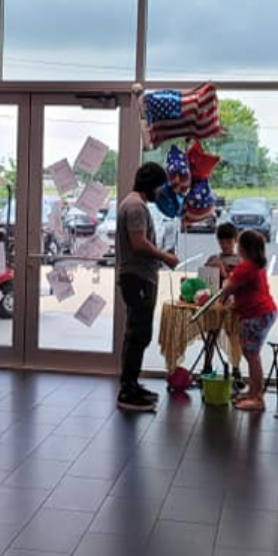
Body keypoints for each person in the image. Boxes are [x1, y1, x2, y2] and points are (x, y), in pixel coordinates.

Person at [116, 162, 179, 412]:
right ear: (151, 184)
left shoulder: (133, 204)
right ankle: (128, 391)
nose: (161, 192)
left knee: (137, 332)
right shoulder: (135, 207)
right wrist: (165, 257)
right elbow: (139, 243)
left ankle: (131, 384)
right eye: (160, 186)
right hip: (138, 278)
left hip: (139, 277)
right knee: (138, 333)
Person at [225, 229, 277, 411]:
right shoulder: (256, 265)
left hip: (256, 314)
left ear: (243, 248)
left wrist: (225, 276)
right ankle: (253, 391)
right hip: (265, 312)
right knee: (251, 354)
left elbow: (228, 288)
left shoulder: (244, 267)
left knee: (252, 356)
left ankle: (258, 398)